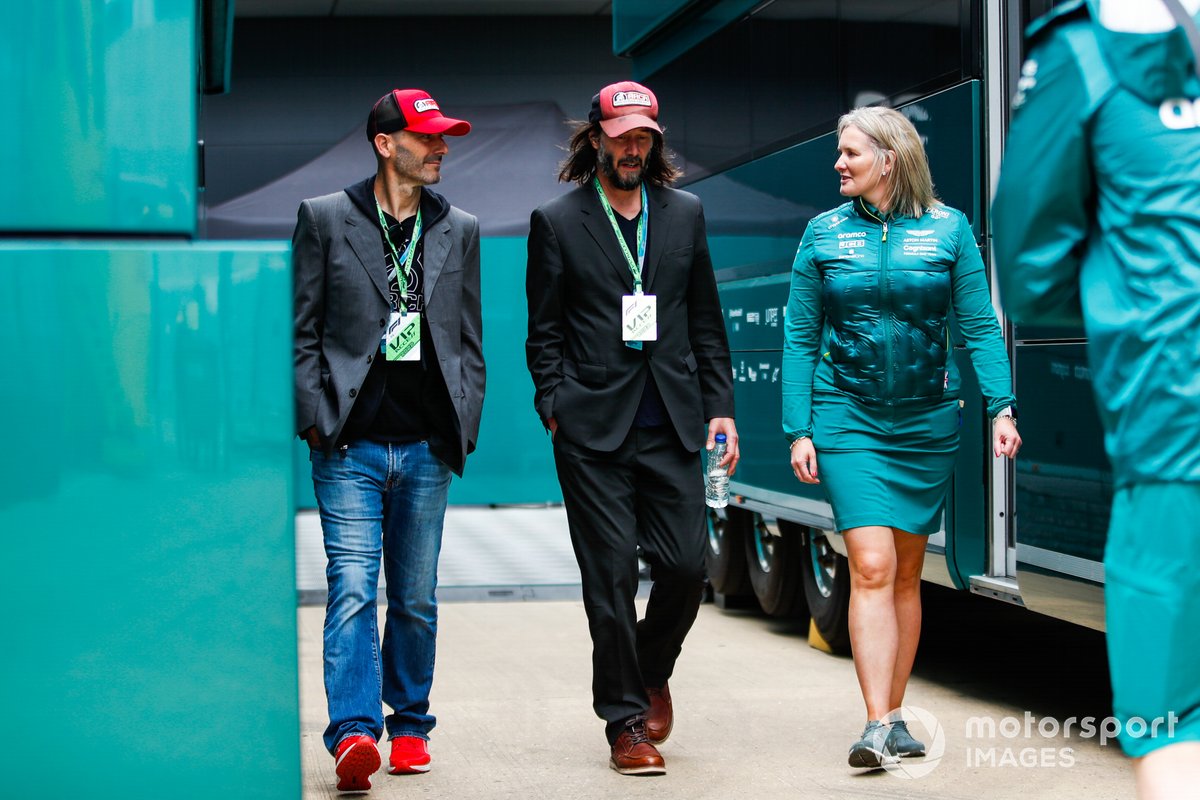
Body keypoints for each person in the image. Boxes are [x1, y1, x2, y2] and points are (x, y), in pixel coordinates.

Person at [992, 1, 1200, 796]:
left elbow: (1032, 273)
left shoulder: (1085, 48)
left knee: (1174, 717)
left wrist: (1134, 312)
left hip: (1177, 422)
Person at [782, 106, 1022, 768]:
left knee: (910, 573)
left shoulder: (949, 232)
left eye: (851, 153)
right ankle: (876, 721)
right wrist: (797, 427)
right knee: (874, 565)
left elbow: (978, 324)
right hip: (846, 417)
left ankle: (896, 714)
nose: (838, 163)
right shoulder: (822, 235)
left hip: (923, 421)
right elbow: (801, 334)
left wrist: (1001, 407)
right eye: (839, 152)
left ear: (890, 159)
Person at [525, 80, 738, 775]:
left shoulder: (685, 213)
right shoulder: (557, 221)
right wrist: (554, 404)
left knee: (685, 569)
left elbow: (705, 318)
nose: (633, 147)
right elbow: (544, 329)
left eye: (644, 136)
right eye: (621, 136)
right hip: (591, 429)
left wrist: (721, 407)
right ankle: (626, 724)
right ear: (595, 139)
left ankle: (650, 670)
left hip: (672, 420)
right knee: (609, 580)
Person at [292, 88, 484, 793]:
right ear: (384, 143)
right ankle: (352, 736)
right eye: (427, 136)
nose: (440, 148)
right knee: (350, 588)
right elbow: (303, 330)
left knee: (414, 595)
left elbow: (468, 336)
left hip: (428, 444)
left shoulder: (456, 227)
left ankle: (408, 726)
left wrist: (462, 418)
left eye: (443, 138)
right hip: (350, 444)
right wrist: (315, 417)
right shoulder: (325, 219)